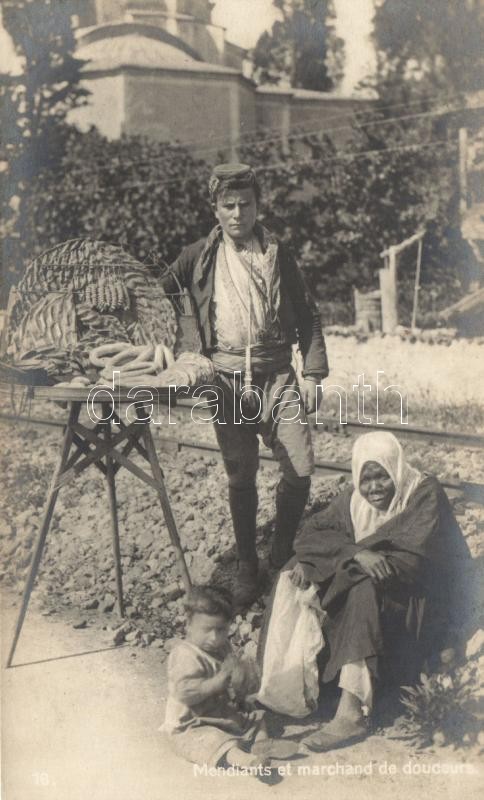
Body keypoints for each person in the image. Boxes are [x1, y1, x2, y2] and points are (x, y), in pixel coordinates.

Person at [161, 163, 329, 608]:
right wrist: (172, 350)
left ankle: (280, 552)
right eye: (228, 205)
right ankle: (247, 569)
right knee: (241, 475)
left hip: (276, 375)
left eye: (246, 204)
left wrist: (311, 374)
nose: (238, 214)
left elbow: (309, 313)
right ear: (215, 209)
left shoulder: (278, 252)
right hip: (225, 380)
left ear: (258, 205)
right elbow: (153, 296)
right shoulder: (197, 256)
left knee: (301, 468)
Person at [258, 431, 472, 751]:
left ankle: (352, 711)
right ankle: (293, 683)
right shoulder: (353, 500)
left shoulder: (423, 492)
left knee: (364, 586)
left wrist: (344, 559)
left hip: (423, 603)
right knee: (294, 570)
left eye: (381, 477)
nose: (373, 488)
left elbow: (411, 560)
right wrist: (353, 554)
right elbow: (309, 535)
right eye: (366, 478)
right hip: (377, 586)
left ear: (395, 468)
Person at [161, 584, 297, 772]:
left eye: (222, 630)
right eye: (207, 630)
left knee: (256, 719)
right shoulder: (185, 655)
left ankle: (262, 746)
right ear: (189, 624)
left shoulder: (222, 647)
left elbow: (232, 682)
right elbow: (185, 693)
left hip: (219, 714)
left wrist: (241, 693)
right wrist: (216, 683)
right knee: (214, 740)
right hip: (191, 725)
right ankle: (245, 761)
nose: (215, 637)